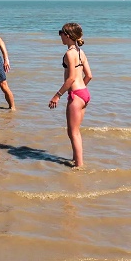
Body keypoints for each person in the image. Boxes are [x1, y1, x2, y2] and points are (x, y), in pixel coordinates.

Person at [48, 23, 93, 168]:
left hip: (76, 96)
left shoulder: (69, 53)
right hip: (84, 94)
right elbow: (89, 76)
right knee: (75, 131)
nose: (59, 35)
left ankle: (79, 165)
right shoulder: (80, 52)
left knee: (73, 132)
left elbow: (71, 78)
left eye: (60, 32)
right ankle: (75, 159)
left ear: (67, 36)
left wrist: (57, 95)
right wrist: (81, 90)